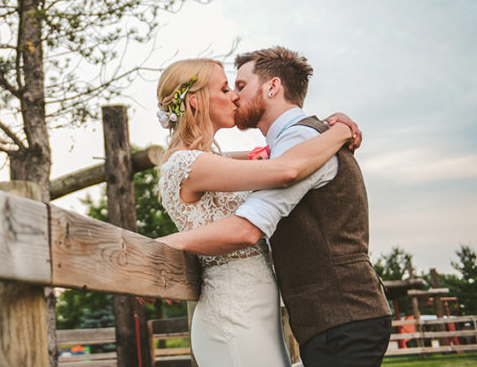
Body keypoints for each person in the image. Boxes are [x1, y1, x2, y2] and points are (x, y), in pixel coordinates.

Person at [158, 47, 392, 367]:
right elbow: (282, 172)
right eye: (227, 88)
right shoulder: (191, 163)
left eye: (238, 87)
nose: (234, 97)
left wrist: (332, 127)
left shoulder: (288, 142)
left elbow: (266, 161)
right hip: (237, 310)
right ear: (196, 100)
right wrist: (339, 130)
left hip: (317, 316)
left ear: (273, 87)